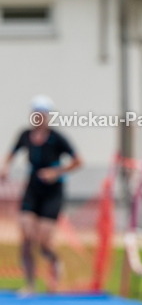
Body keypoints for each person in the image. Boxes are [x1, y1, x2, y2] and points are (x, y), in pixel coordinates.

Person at [0, 96, 82, 294]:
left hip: (52, 192)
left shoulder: (57, 138)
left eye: (43, 114)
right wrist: (6, 167)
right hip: (32, 189)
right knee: (26, 236)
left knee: (44, 241)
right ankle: (29, 284)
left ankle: (54, 262)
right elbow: (13, 152)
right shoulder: (25, 135)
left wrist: (56, 172)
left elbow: (78, 161)